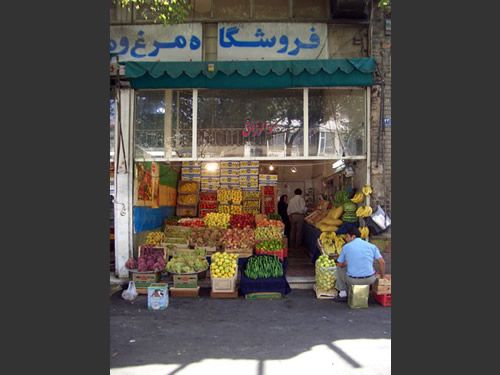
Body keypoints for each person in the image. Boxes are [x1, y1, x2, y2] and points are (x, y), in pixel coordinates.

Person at [335, 227, 385, 301]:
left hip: (353, 280)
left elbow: (339, 264)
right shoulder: (372, 246)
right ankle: (367, 289)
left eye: (347, 237)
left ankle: (343, 293)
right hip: (370, 280)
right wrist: (382, 276)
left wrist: (346, 263)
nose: (346, 239)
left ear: (353, 237)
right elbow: (382, 262)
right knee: (370, 267)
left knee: (339, 267)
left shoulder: (346, 247)